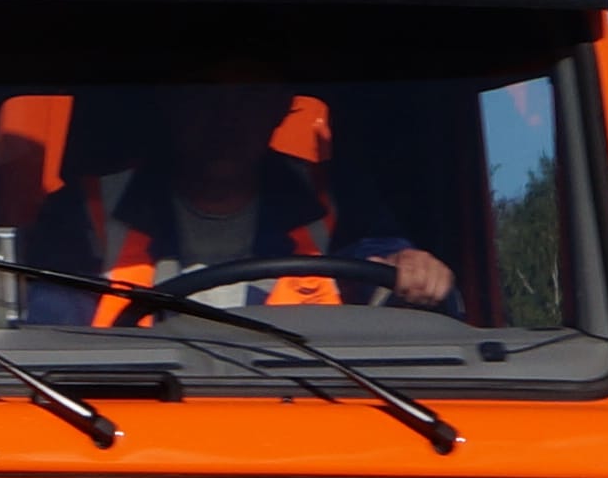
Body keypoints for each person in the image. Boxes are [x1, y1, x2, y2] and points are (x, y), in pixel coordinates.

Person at [23, 72, 451, 322]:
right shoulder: (83, 213)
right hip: (130, 428)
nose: (226, 118)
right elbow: (49, 337)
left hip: (304, 425)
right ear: (171, 102)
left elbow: (382, 263)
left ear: (282, 106)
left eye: (251, 94)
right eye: (204, 93)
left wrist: (410, 267)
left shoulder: (338, 200)